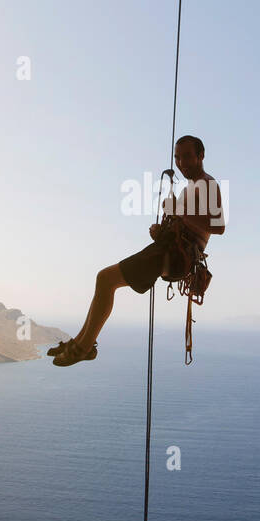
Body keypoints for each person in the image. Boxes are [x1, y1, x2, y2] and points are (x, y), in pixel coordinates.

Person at [50, 135, 225, 366]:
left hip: (175, 255)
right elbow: (190, 223)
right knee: (104, 280)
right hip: (169, 250)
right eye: (178, 158)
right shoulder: (191, 187)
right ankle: (81, 343)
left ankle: (84, 347)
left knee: (105, 279)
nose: (181, 163)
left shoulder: (207, 183)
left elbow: (218, 226)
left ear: (201, 156)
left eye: (187, 157)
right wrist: (162, 230)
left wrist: (178, 213)